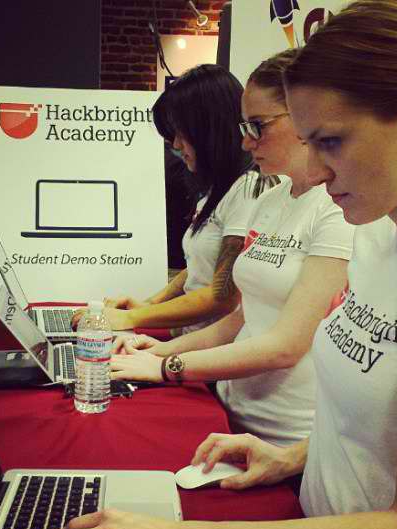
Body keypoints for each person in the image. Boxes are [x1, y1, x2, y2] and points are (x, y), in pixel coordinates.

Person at [29, 1, 397, 529]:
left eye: (331, 142)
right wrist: (296, 457)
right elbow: (374, 435)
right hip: (308, 519)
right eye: (309, 142)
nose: (316, 171)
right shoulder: (378, 242)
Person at [109, 49, 354, 448]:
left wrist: (168, 366)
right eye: (244, 126)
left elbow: (286, 346)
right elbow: (240, 317)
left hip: (285, 435)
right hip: (230, 412)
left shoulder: (335, 210)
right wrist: (163, 351)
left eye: (258, 126)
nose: (245, 141)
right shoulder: (270, 200)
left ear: (304, 116)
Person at [73, 64, 276, 335]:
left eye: (182, 133)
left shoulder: (249, 188)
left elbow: (222, 295)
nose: (177, 145)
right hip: (190, 341)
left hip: (212, 349)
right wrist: (148, 305)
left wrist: (133, 317)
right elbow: (200, 267)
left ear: (208, 130)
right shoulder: (219, 190)